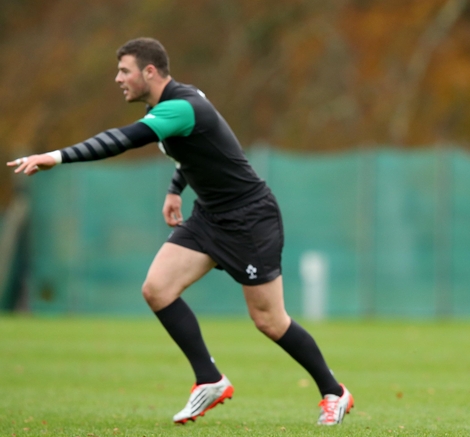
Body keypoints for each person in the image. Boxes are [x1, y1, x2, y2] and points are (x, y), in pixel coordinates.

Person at [8, 37, 354, 426]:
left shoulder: (182, 107)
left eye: (125, 71)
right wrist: (176, 190)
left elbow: (120, 140)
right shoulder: (176, 102)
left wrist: (56, 156)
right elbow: (191, 152)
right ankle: (209, 380)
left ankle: (334, 392)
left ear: (149, 72)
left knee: (270, 321)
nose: (118, 78)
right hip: (210, 216)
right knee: (157, 289)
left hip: (250, 220)